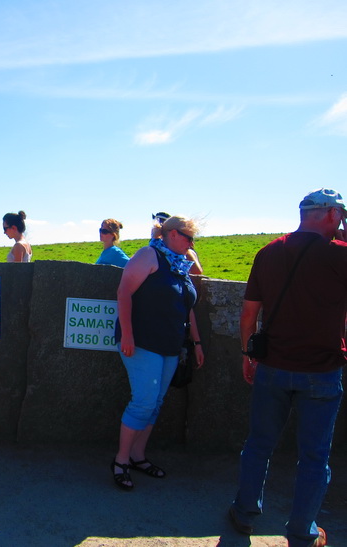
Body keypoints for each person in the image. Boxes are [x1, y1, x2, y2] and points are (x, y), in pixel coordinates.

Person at [228, 188, 347, 547]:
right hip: (322, 370)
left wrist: (248, 354)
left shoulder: (269, 252)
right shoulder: (340, 255)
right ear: (332, 215)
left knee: (259, 444)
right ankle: (301, 532)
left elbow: (248, 314)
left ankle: (245, 513)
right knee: (314, 456)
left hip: (273, 366)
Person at [112, 215, 205, 490]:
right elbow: (123, 292)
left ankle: (138, 456)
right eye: (189, 238)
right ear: (173, 234)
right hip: (142, 342)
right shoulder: (148, 255)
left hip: (170, 345)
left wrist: (197, 343)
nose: (192, 244)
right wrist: (127, 335)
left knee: (156, 402)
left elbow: (187, 307)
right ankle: (121, 460)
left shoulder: (179, 264)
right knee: (143, 402)